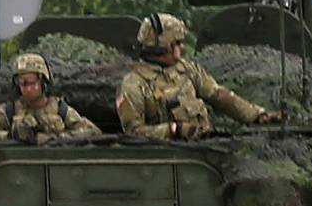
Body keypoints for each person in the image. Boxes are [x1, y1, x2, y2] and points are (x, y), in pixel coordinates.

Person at [117, 15, 281, 141]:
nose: (182, 47)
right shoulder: (133, 84)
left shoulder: (187, 70)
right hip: (170, 158)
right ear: (167, 47)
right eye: (178, 43)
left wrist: (257, 115)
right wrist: (174, 130)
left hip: (204, 148)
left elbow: (217, 95)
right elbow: (134, 133)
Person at [0, 52, 100, 143]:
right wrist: (10, 136)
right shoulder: (9, 111)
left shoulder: (60, 110)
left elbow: (92, 132)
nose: (28, 88)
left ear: (43, 82)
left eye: (32, 82)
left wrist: (55, 138)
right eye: (23, 83)